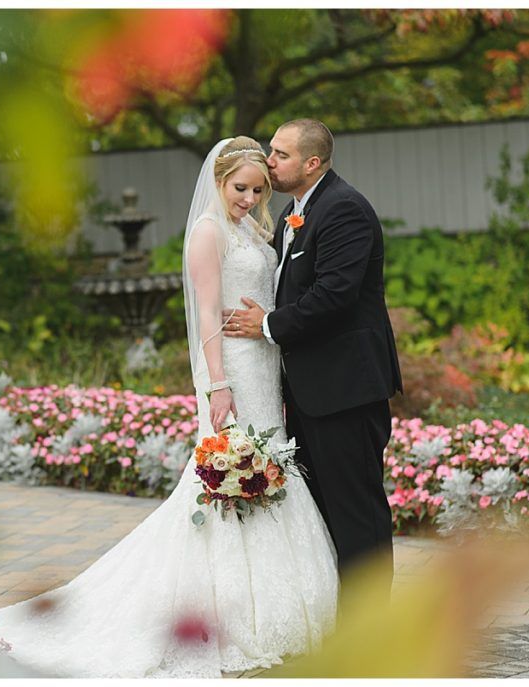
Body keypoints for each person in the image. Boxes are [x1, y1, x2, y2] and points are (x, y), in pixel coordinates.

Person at [0, 137, 338, 678]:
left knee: (270, 470)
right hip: (234, 372)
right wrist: (217, 384)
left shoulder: (255, 230)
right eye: (239, 188)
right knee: (231, 474)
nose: (248, 198)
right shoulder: (208, 232)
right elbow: (204, 317)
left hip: (265, 368)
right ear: (219, 182)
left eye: (257, 189)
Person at [224, 119, 402, 605]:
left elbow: (335, 295)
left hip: (346, 388)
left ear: (312, 163)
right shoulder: (293, 211)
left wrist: (267, 326)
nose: (269, 160)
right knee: (323, 508)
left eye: (280, 154)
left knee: (356, 510)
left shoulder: (343, 209)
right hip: (309, 390)